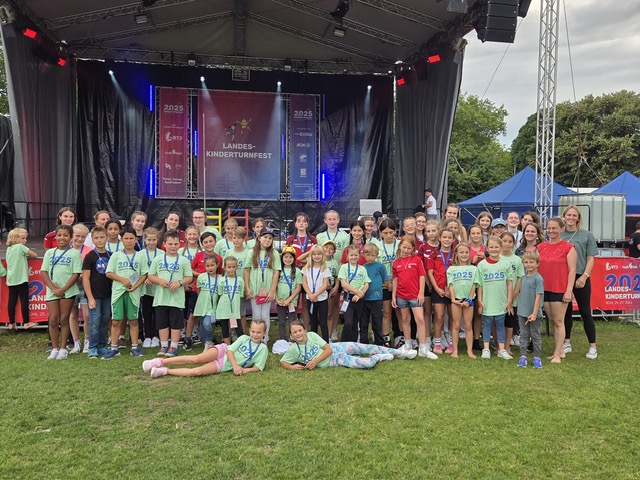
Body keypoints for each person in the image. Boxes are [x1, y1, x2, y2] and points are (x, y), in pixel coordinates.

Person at [143, 319, 268, 378]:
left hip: (223, 365)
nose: (255, 335)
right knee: (196, 359)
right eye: (253, 331)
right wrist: (235, 366)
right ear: (249, 331)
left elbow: (258, 367)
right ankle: (159, 362)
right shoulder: (244, 338)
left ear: (264, 333)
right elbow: (230, 350)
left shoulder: (263, 349)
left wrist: (245, 370)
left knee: (196, 372)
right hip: (223, 351)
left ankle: (165, 371)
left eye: (258, 332)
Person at [279, 320, 416, 370]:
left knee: (365, 347)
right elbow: (283, 362)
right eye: (294, 332)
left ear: (304, 330)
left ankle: (400, 352)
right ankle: (380, 357)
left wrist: (315, 361)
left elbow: (328, 350)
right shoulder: (293, 349)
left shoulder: (312, 335)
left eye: (300, 330)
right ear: (291, 336)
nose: (298, 334)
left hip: (336, 348)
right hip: (334, 360)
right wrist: (292, 367)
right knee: (367, 364)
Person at [561, 205, 599, 359]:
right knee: (566, 311)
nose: (571, 218)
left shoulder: (586, 235)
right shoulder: (559, 234)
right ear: (564, 216)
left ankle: (592, 346)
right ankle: (566, 342)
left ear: (578, 218)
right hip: (564, 277)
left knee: (585, 312)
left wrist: (584, 276)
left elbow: (591, 258)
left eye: (574, 215)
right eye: (568, 215)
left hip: (581, 276)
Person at [537, 217, 577, 364]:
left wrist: (568, 290)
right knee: (553, 320)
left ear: (561, 229)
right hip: (544, 288)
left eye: (554, 228)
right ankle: (560, 350)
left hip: (559, 288)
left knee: (559, 321)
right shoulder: (541, 247)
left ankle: (557, 354)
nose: (551, 231)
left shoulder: (569, 247)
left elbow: (572, 270)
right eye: (549, 228)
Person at [148, 231, 194, 356]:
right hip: (161, 298)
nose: (173, 246)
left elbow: (189, 277)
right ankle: (164, 346)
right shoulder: (158, 259)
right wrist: (159, 281)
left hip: (177, 299)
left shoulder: (183, 260)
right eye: (170, 244)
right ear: (164, 244)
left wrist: (179, 283)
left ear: (179, 244)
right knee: (162, 323)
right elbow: (151, 275)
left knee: (175, 323)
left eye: (175, 244)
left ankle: (173, 346)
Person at [103, 228, 147, 359]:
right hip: (118, 292)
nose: (128, 241)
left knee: (133, 320)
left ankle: (134, 347)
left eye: (131, 238)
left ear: (136, 239)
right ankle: (114, 347)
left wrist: (135, 286)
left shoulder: (140, 256)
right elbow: (109, 273)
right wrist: (123, 280)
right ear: (121, 240)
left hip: (133, 293)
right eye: (126, 238)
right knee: (116, 320)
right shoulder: (116, 255)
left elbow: (144, 274)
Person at [40, 225, 82, 360]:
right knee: (53, 319)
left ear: (70, 237)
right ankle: (54, 348)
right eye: (59, 235)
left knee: (64, 319)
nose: (62, 238)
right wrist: (54, 288)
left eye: (65, 235)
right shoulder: (49, 253)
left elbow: (76, 273)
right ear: (55, 237)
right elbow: (43, 271)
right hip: (52, 291)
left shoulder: (75, 253)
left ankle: (63, 348)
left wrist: (63, 290)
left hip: (67, 291)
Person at [393, 236, 438, 359]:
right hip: (401, 295)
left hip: (415, 295)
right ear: (400, 247)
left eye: (409, 248)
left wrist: (421, 292)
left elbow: (422, 276)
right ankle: (407, 344)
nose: (406, 250)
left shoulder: (417, 260)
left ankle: (423, 347)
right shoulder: (396, 262)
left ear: (413, 248)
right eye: (404, 247)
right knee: (405, 319)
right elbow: (395, 280)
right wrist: (394, 296)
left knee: (420, 319)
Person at [474, 235, 514, 360]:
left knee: (500, 325)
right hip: (487, 301)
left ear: (501, 247)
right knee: (486, 325)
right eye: (491, 247)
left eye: (496, 247)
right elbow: (479, 285)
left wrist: (509, 300)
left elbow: (509, 282)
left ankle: (501, 349)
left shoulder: (505, 263)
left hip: (501, 301)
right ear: (487, 248)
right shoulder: (482, 265)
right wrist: (480, 300)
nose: (494, 249)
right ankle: (486, 349)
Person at [244, 228, 281, 343]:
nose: (267, 240)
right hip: (254, 289)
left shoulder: (274, 253)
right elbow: (247, 270)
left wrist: (272, 291)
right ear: (259, 238)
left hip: (268, 290)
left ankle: (265, 337)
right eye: (265, 237)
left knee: (265, 315)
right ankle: (255, 337)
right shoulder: (252, 252)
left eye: (270, 238)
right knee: (256, 315)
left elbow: (276, 272)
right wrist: (247, 287)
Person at [82, 226, 113, 358]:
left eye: (102, 237)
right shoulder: (89, 256)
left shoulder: (111, 255)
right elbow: (86, 278)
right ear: (92, 240)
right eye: (96, 238)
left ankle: (101, 346)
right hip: (94, 295)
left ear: (107, 238)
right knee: (95, 320)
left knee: (105, 320)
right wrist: (90, 297)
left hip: (108, 295)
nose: (99, 240)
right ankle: (92, 347)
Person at [426, 228, 455, 354]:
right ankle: (437, 342)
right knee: (439, 316)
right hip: (438, 290)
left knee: (453, 317)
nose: (447, 240)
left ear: (453, 240)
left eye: (449, 238)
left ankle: (452, 342)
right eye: (444, 237)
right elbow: (430, 273)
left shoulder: (455, 254)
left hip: (453, 290)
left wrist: (450, 288)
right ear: (439, 238)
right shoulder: (434, 254)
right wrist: (437, 289)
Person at [447, 243, 477, 358]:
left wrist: (469, 300)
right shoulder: (451, 269)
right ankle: (455, 350)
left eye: (466, 252)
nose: (464, 255)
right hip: (456, 301)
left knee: (468, 325)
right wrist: (453, 299)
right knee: (456, 325)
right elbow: (451, 284)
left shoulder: (474, 269)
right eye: (461, 252)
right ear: (456, 254)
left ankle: (469, 350)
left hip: (468, 300)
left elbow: (474, 284)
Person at [5, 228, 38, 330]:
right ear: (16, 238)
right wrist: (27, 255)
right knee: (24, 301)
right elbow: (34, 255)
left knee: (12, 301)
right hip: (21, 279)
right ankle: (26, 322)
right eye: (23, 238)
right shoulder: (20, 247)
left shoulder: (9, 249)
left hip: (11, 279)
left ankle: (11, 322)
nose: (25, 240)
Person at [516, 252, 544, 369]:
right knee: (523, 334)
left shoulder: (538, 279)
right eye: (526, 262)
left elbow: (538, 297)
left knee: (535, 335)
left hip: (534, 314)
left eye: (531, 262)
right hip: (522, 312)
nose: (528, 265)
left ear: (537, 263)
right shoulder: (522, 278)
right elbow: (517, 292)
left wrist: (534, 313)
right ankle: (523, 356)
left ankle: (537, 357)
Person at [338, 244, 371, 342]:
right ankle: (344, 343)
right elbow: (343, 283)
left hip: (359, 297)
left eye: (356, 255)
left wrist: (360, 294)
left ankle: (354, 344)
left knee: (355, 322)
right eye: (351, 255)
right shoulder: (344, 267)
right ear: (347, 256)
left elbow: (366, 283)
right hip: (348, 297)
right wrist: (356, 291)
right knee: (348, 322)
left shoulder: (362, 268)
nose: (353, 257)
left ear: (359, 256)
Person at [375, 218, 399, 347]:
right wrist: (386, 283)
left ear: (395, 231)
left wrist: (395, 283)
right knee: (386, 312)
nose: (389, 236)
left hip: (399, 282)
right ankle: (386, 337)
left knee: (399, 312)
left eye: (391, 232)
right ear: (380, 233)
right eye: (385, 233)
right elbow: (376, 267)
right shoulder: (377, 245)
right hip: (383, 284)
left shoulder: (400, 244)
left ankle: (400, 336)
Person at [224, 226, 251, 336]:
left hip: (241, 288)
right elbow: (224, 271)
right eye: (234, 238)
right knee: (230, 312)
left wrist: (247, 288)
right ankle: (230, 334)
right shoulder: (228, 253)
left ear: (244, 239)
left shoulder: (248, 253)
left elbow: (249, 271)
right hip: (230, 288)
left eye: (239, 238)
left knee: (241, 313)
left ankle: (242, 335)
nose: (236, 240)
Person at [301, 244, 332, 340]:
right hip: (310, 299)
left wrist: (316, 294)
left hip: (322, 299)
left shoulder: (325, 269)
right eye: (314, 254)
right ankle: (314, 341)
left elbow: (325, 284)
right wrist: (310, 294)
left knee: (323, 323)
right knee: (313, 322)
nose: (316, 256)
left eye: (319, 254)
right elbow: (304, 282)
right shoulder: (307, 267)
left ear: (323, 255)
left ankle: (326, 342)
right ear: (311, 256)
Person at [500, 232, 524, 355]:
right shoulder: (496, 258)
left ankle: (507, 346)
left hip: (512, 297)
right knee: (497, 321)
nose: (507, 244)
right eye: (504, 241)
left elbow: (520, 277)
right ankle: (499, 344)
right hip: (498, 296)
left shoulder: (517, 260)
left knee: (509, 322)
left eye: (510, 242)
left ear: (514, 244)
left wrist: (514, 294)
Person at [192, 255, 221, 351]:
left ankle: (209, 341)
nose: (210, 268)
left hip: (212, 305)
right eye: (207, 266)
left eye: (212, 265)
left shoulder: (220, 278)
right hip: (202, 304)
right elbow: (198, 290)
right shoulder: (201, 277)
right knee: (202, 324)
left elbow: (220, 293)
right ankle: (205, 342)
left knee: (207, 324)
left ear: (217, 265)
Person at [361, 243, 387, 346]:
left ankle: (379, 343)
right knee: (363, 322)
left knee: (377, 322)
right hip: (364, 298)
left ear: (376, 255)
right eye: (368, 255)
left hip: (377, 298)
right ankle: (363, 343)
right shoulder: (362, 268)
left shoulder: (380, 267)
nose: (370, 258)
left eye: (372, 255)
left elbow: (385, 280)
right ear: (364, 255)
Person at [139, 227, 161, 348]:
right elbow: (138, 270)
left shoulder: (162, 253)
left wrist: (154, 278)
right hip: (145, 289)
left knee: (158, 313)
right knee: (147, 313)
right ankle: (147, 336)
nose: (151, 242)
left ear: (157, 240)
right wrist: (146, 278)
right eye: (149, 240)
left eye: (154, 240)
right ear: (145, 240)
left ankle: (156, 336)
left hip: (158, 289)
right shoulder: (140, 254)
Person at [215, 256, 244, 345]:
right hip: (224, 308)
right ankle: (227, 347)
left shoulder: (240, 280)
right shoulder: (221, 280)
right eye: (229, 267)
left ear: (237, 267)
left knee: (238, 328)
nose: (231, 269)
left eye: (233, 267)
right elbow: (220, 293)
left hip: (234, 309)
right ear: (224, 268)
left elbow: (241, 294)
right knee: (224, 328)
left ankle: (243, 345)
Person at [275, 246, 302, 341]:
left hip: (292, 301)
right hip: (280, 301)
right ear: (282, 258)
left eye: (290, 257)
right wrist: (277, 299)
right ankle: (282, 340)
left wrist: (289, 300)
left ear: (294, 259)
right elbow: (275, 286)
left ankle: (292, 339)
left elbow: (298, 288)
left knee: (292, 322)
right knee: (281, 322)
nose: (288, 259)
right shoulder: (278, 270)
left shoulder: (297, 271)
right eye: (286, 257)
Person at [322, 241, 341, 342]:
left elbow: (337, 276)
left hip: (330, 290)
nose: (328, 250)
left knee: (329, 313)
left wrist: (336, 286)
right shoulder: (318, 260)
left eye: (331, 249)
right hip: (319, 290)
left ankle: (328, 337)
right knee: (320, 314)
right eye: (326, 247)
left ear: (334, 251)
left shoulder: (334, 263)